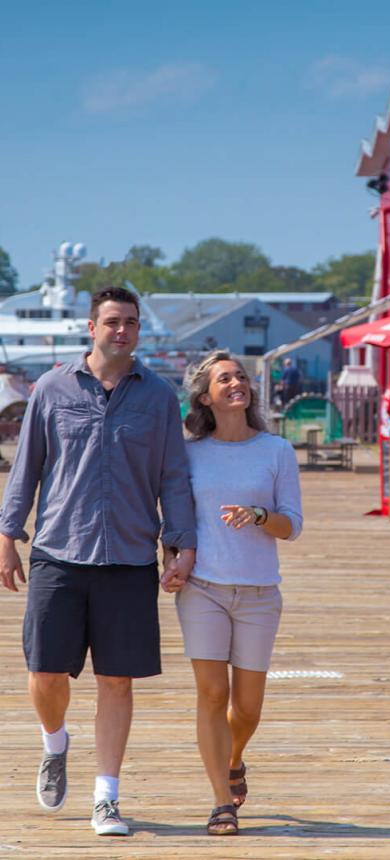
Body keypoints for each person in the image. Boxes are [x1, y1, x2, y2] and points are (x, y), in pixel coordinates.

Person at [0, 287, 196, 836]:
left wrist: (180, 543)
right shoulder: (52, 388)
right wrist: (7, 534)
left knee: (117, 681)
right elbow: (27, 468)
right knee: (44, 671)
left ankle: (106, 796)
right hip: (58, 551)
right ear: (92, 328)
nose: (122, 331)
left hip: (130, 556)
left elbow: (173, 476)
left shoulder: (158, 396)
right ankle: (54, 743)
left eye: (131, 322)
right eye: (112, 322)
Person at [163, 350, 302, 836]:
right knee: (211, 693)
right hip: (204, 590)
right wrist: (171, 557)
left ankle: (234, 756)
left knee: (246, 708)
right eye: (225, 378)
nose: (236, 383)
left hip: (261, 593)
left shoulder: (277, 451)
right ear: (205, 396)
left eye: (240, 376)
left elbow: (293, 526)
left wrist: (260, 516)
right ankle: (221, 801)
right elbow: (176, 519)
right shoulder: (187, 453)